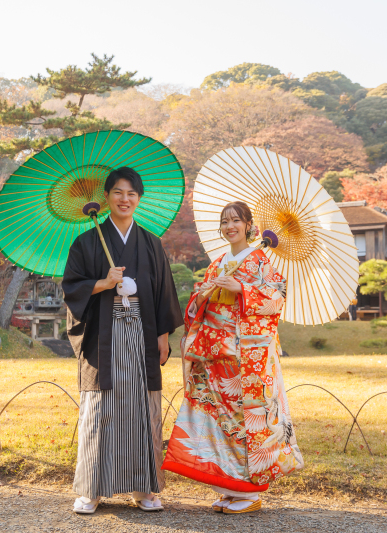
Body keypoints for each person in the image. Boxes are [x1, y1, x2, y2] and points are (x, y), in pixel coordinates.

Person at [162, 201, 303, 514]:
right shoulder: (220, 261)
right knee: (221, 420)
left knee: (244, 420)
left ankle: (249, 492)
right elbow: (198, 302)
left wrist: (242, 288)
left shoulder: (260, 260)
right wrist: (205, 292)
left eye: (236, 221)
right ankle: (228, 487)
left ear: (249, 225)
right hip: (215, 356)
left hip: (246, 358)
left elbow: (276, 298)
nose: (230, 226)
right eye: (225, 221)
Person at [62, 167, 184, 514]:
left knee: (142, 409)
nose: (125, 199)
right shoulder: (87, 242)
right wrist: (102, 282)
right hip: (104, 333)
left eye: (131, 193)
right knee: (101, 410)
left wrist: (162, 335)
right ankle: (91, 489)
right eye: (118, 192)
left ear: (139, 198)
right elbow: (72, 287)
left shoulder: (149, 242)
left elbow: (163, 294)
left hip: (142, 334)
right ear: (107, 198)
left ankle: (144, 488)